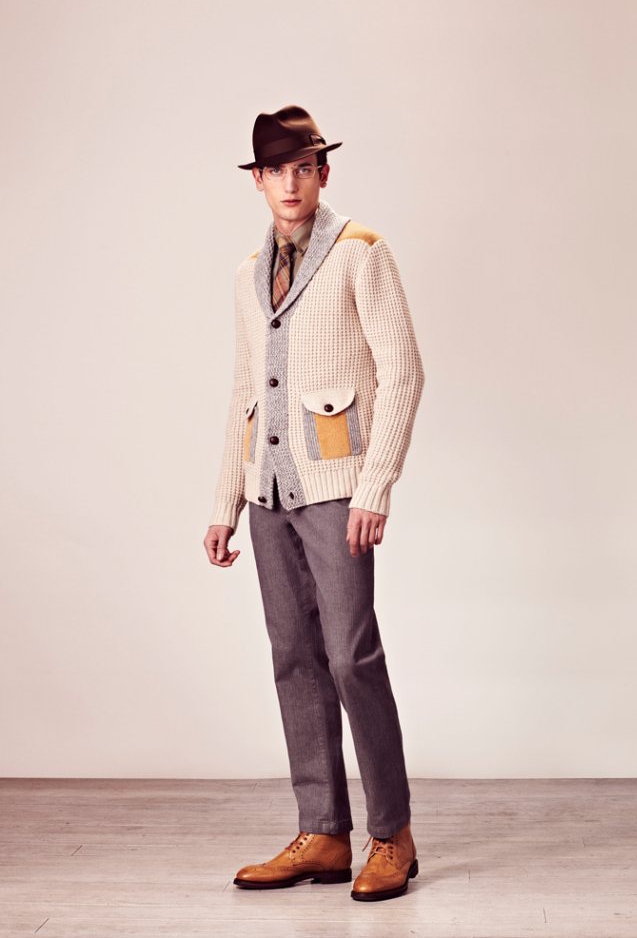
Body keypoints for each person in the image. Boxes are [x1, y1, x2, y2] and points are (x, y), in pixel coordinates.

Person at [203, 105, 425, 902]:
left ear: (323, 173)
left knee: (350, 657)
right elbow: (244, 389)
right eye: (276, 171)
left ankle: (391, 834)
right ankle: (323, 832)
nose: (290, 183)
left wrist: (376, 485)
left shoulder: (362, 252)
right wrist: (225, 501)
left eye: (304, 168)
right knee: (293, 658)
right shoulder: (246, 275)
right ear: (259, 181)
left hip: (338, 490)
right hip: (268, 493)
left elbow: (404, 371)